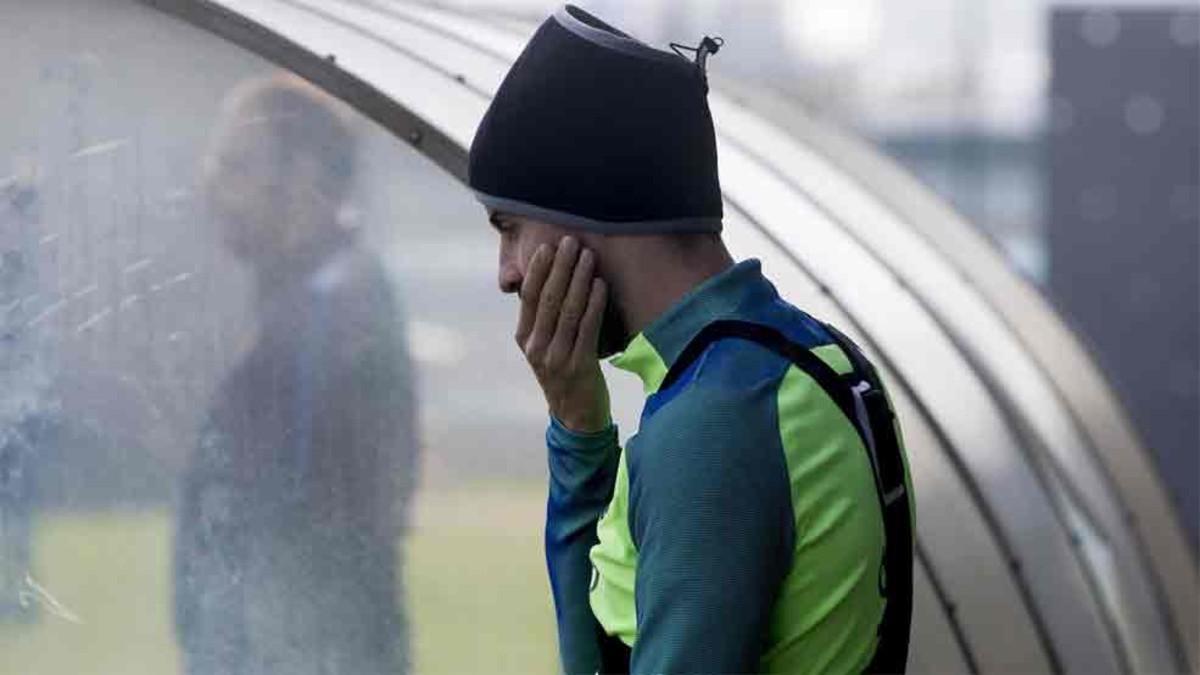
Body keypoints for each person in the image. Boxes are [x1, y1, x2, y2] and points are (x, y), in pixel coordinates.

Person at [469, 6, 915, 673]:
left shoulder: (713, 422)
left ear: (580, 209)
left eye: (509, 227)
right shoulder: (806, 359)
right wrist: (578, 424)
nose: (506, 273)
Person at [173, 74, 417, 674]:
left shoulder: (330, 335)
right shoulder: (315, 311)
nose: (211, 184)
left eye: (237, 167)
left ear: (305, 182)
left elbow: (308, 559)